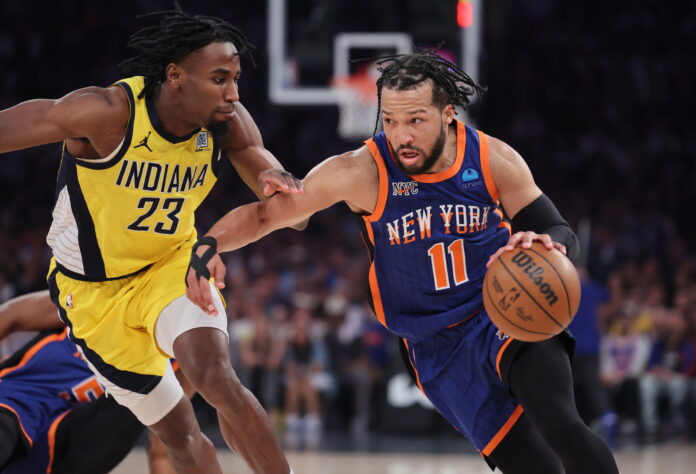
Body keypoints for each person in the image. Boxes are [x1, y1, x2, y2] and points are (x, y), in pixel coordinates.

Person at [186, 51, 619, 473]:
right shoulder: (361, 171)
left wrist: (545, 242)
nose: (401, 135)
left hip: (502, 309)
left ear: (448, 113)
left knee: (561, 424)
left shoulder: (491, 158)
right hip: (434, 344)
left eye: (415, 120)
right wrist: (210, 244)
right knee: (532, 465)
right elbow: (267, 214)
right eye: (390, 120)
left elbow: (561, 231)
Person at [0, 8, 302, 474]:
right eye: (220, 78)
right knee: (179, 435)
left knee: (215, 375)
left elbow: (257, 160)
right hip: (91, 294)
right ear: (176, 75)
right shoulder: (105, 114)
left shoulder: (223, 120)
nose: (233, 93)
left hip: (172, 266)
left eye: (236, 78)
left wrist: (275, 178)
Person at [0, 290, 178, 473]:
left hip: (76, 431)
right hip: (22, 396)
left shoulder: (179, 354)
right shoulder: (101, 292)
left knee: (145, 399)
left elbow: (164, 451)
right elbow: (11, 313)